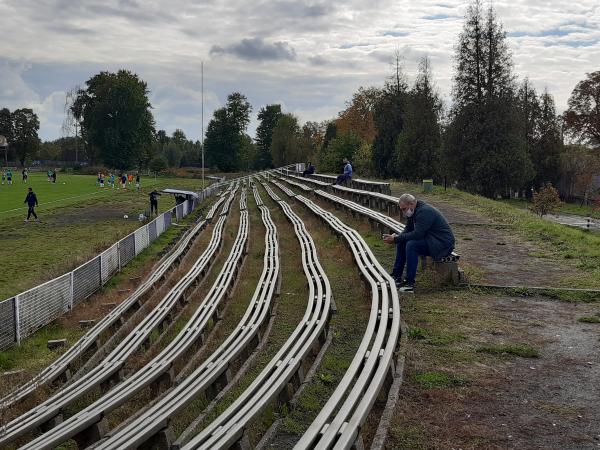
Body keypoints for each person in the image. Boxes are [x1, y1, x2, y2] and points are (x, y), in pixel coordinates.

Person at [383, 193, 455, 293]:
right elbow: (408, 230)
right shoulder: (413, 211)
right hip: (432, 240)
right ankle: (396, 276)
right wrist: (396, 237)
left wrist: (395, 239)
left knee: (412, 245)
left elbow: (418, 234)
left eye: (404, 209)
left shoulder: (425, 211)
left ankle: (409, 283)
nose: (403, 212)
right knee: (402, 241)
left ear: (412, 203)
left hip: (442, 244)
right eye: (402, 209)